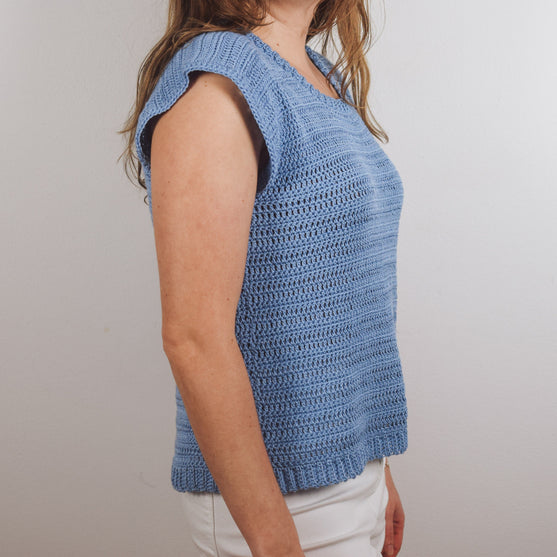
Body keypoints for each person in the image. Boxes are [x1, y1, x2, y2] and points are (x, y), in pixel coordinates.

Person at [119, 1, 408, 555]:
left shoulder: (317, 75)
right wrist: (275, 540)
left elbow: (342, 301)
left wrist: (376, 470)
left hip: (349, 474)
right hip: (282, 501)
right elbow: (194, 339)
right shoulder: (218, 88)